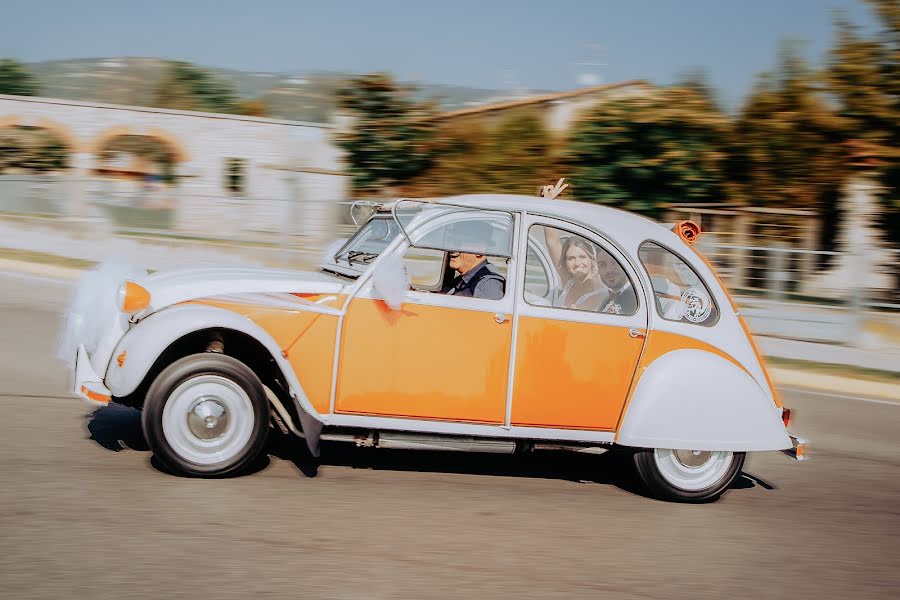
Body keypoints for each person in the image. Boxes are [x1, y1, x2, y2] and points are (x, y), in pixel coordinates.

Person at [539, 178, 606, 311]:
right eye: (571, 258)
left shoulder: (600, 291)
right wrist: (547, 204)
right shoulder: (569, 280)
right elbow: (552, 242)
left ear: (592, 259)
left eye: (582, 257)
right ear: (565, 262)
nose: (577, 263)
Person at [441, 250, 506, 300]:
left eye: (458, 243)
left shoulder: (488, 284)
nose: (452, 250)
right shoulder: (463, 278)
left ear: (479, 251)